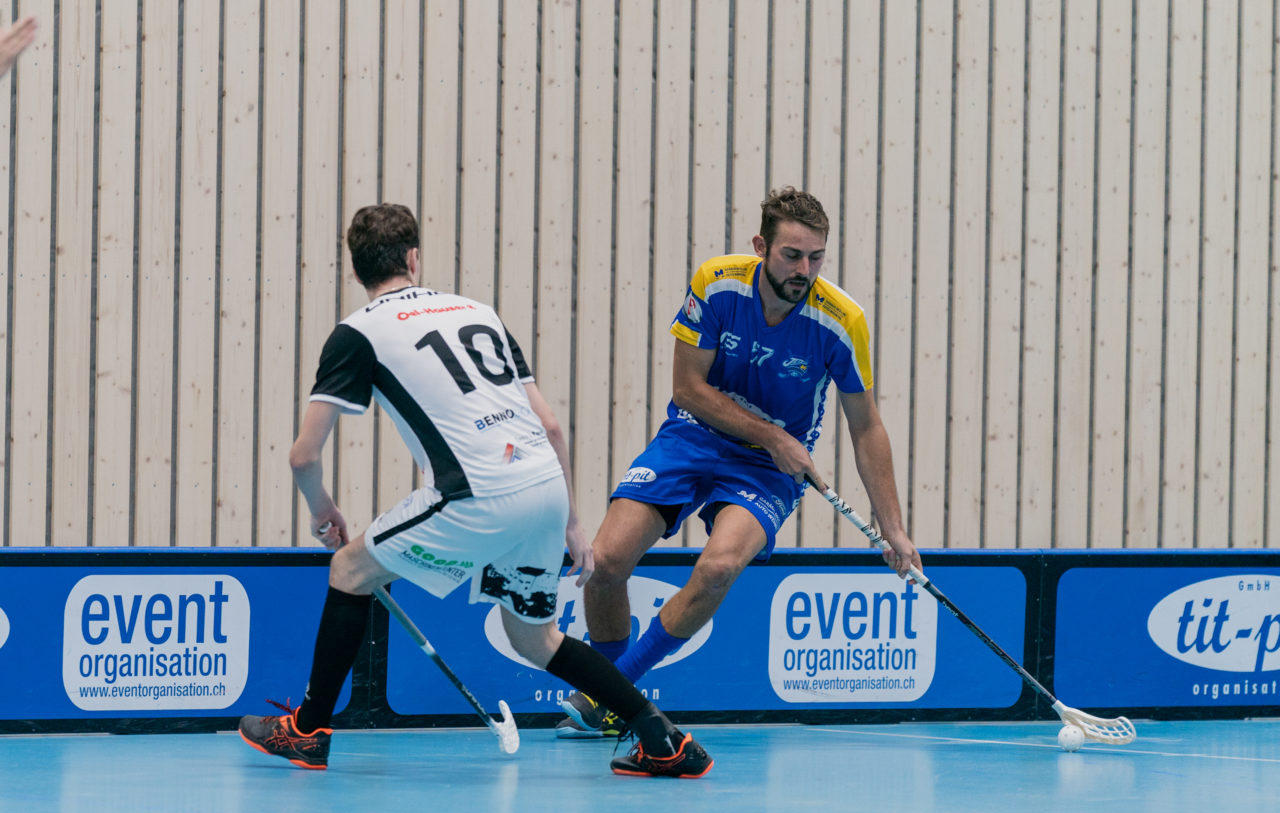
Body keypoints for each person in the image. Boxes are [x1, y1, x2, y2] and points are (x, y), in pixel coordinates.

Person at [239, 203, 711, 778]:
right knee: (536, 641)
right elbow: (551, 424)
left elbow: (303, 455)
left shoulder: (357, 334)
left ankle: (308, 730)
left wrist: (324, 512)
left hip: (476, 492)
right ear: (414, 258)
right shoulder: (477, 311)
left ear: (356, 271)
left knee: (347, 569)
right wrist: (569, 523)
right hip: (542, 487)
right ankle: (661, 736)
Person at [557, 187, 922, 737]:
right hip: (693, 436)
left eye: (817, 257)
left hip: (767, 471)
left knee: (720, 566)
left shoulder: (842, 321)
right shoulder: (717, 283)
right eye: (792, 255)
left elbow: (866, 425)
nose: (805, 270)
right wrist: (772, 433)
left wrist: (894, 529)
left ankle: (611, 698)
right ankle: (610, 692)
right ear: (761, 246)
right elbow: (686, 389)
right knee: (605, 564)